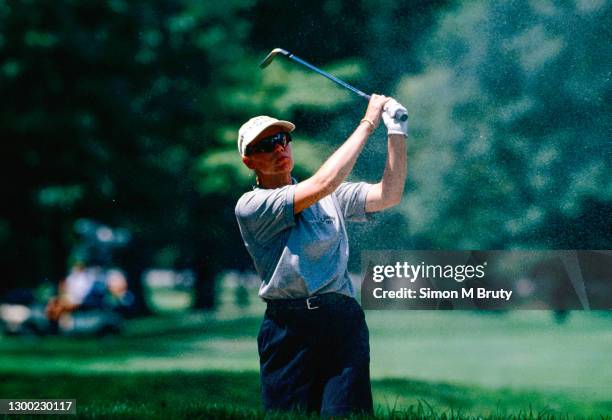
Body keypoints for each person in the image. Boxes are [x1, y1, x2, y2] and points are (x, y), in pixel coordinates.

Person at [234, 95, 408, 416]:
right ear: (249, 161)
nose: (278, 149)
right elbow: (324, 182)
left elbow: (389, 194)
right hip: (288, 328)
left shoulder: (332, 197)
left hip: (341, 323)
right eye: (265, 146)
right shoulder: (251, 206)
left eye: (282, 139)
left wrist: (396, 131)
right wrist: (368, 123)